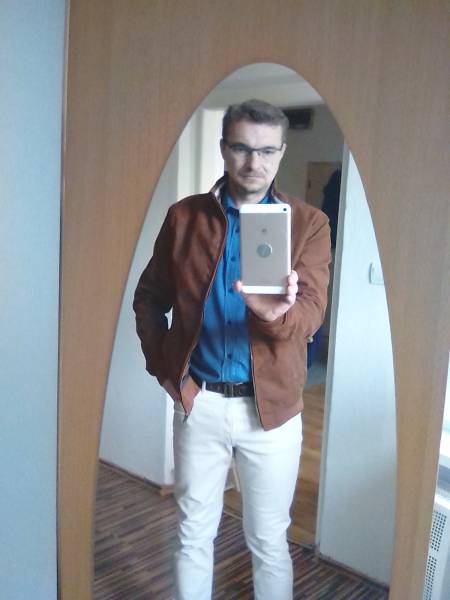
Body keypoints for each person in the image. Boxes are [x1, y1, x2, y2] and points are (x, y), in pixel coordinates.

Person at [133, 99, 331, 600]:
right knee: (193, 534)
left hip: (273, 412)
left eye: (266, 151)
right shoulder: (184, 218)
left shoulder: (308, 223)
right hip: (199, 402)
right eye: (242, 148)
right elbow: (149, 298)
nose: (253, 162)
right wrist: (168, 372)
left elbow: (311, 313)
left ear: (281, 153)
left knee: (268, 543)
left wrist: (275, 315)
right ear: (224, 148)